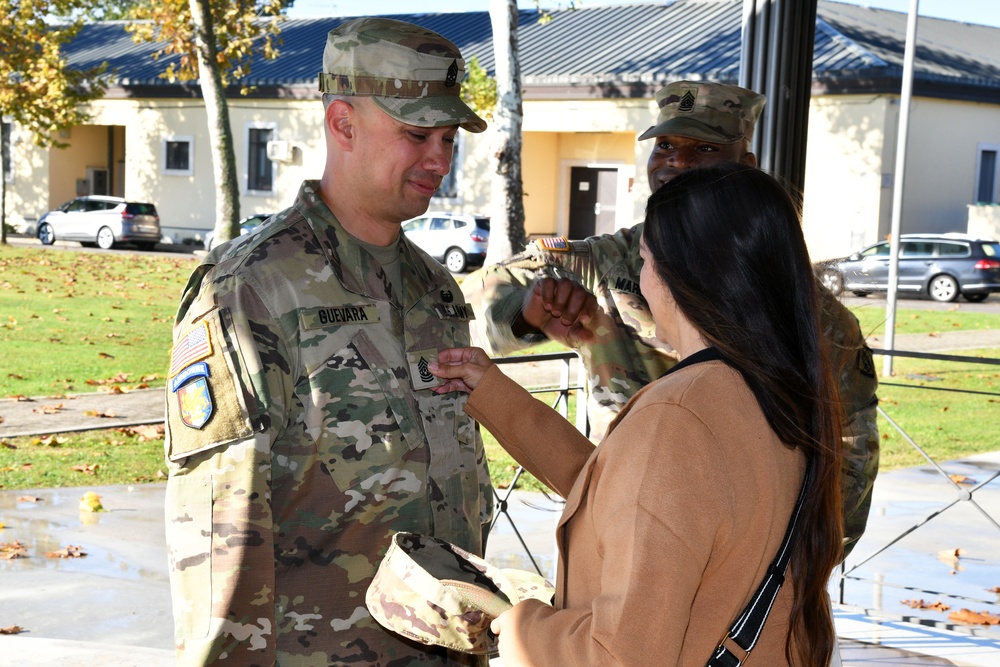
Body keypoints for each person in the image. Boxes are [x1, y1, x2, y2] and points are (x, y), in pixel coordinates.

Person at [163, 18, 494, 665]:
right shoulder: (250, 288)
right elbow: (219, 540)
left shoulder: (435, 289)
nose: (440, 159)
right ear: (342, 123)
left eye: (449, 139)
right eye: (418, 134)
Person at [432, 163, 845, 666]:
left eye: (645, 260)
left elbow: (621, 655)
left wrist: (523, 627)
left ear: (682, 274)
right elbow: (629, 493)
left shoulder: (679, 415)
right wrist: (495, 393)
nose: (640, 279)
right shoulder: (774, 387)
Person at [462, 80, 879, 557]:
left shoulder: (811, 315)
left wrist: (783, 576)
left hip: (746, 568)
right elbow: (464, 308)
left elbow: (848, 457)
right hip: (618, 542)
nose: (676, 162)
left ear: (745, 167)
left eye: (704, 148)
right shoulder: (607, 263)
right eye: (665, 145)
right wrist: (525, 313)